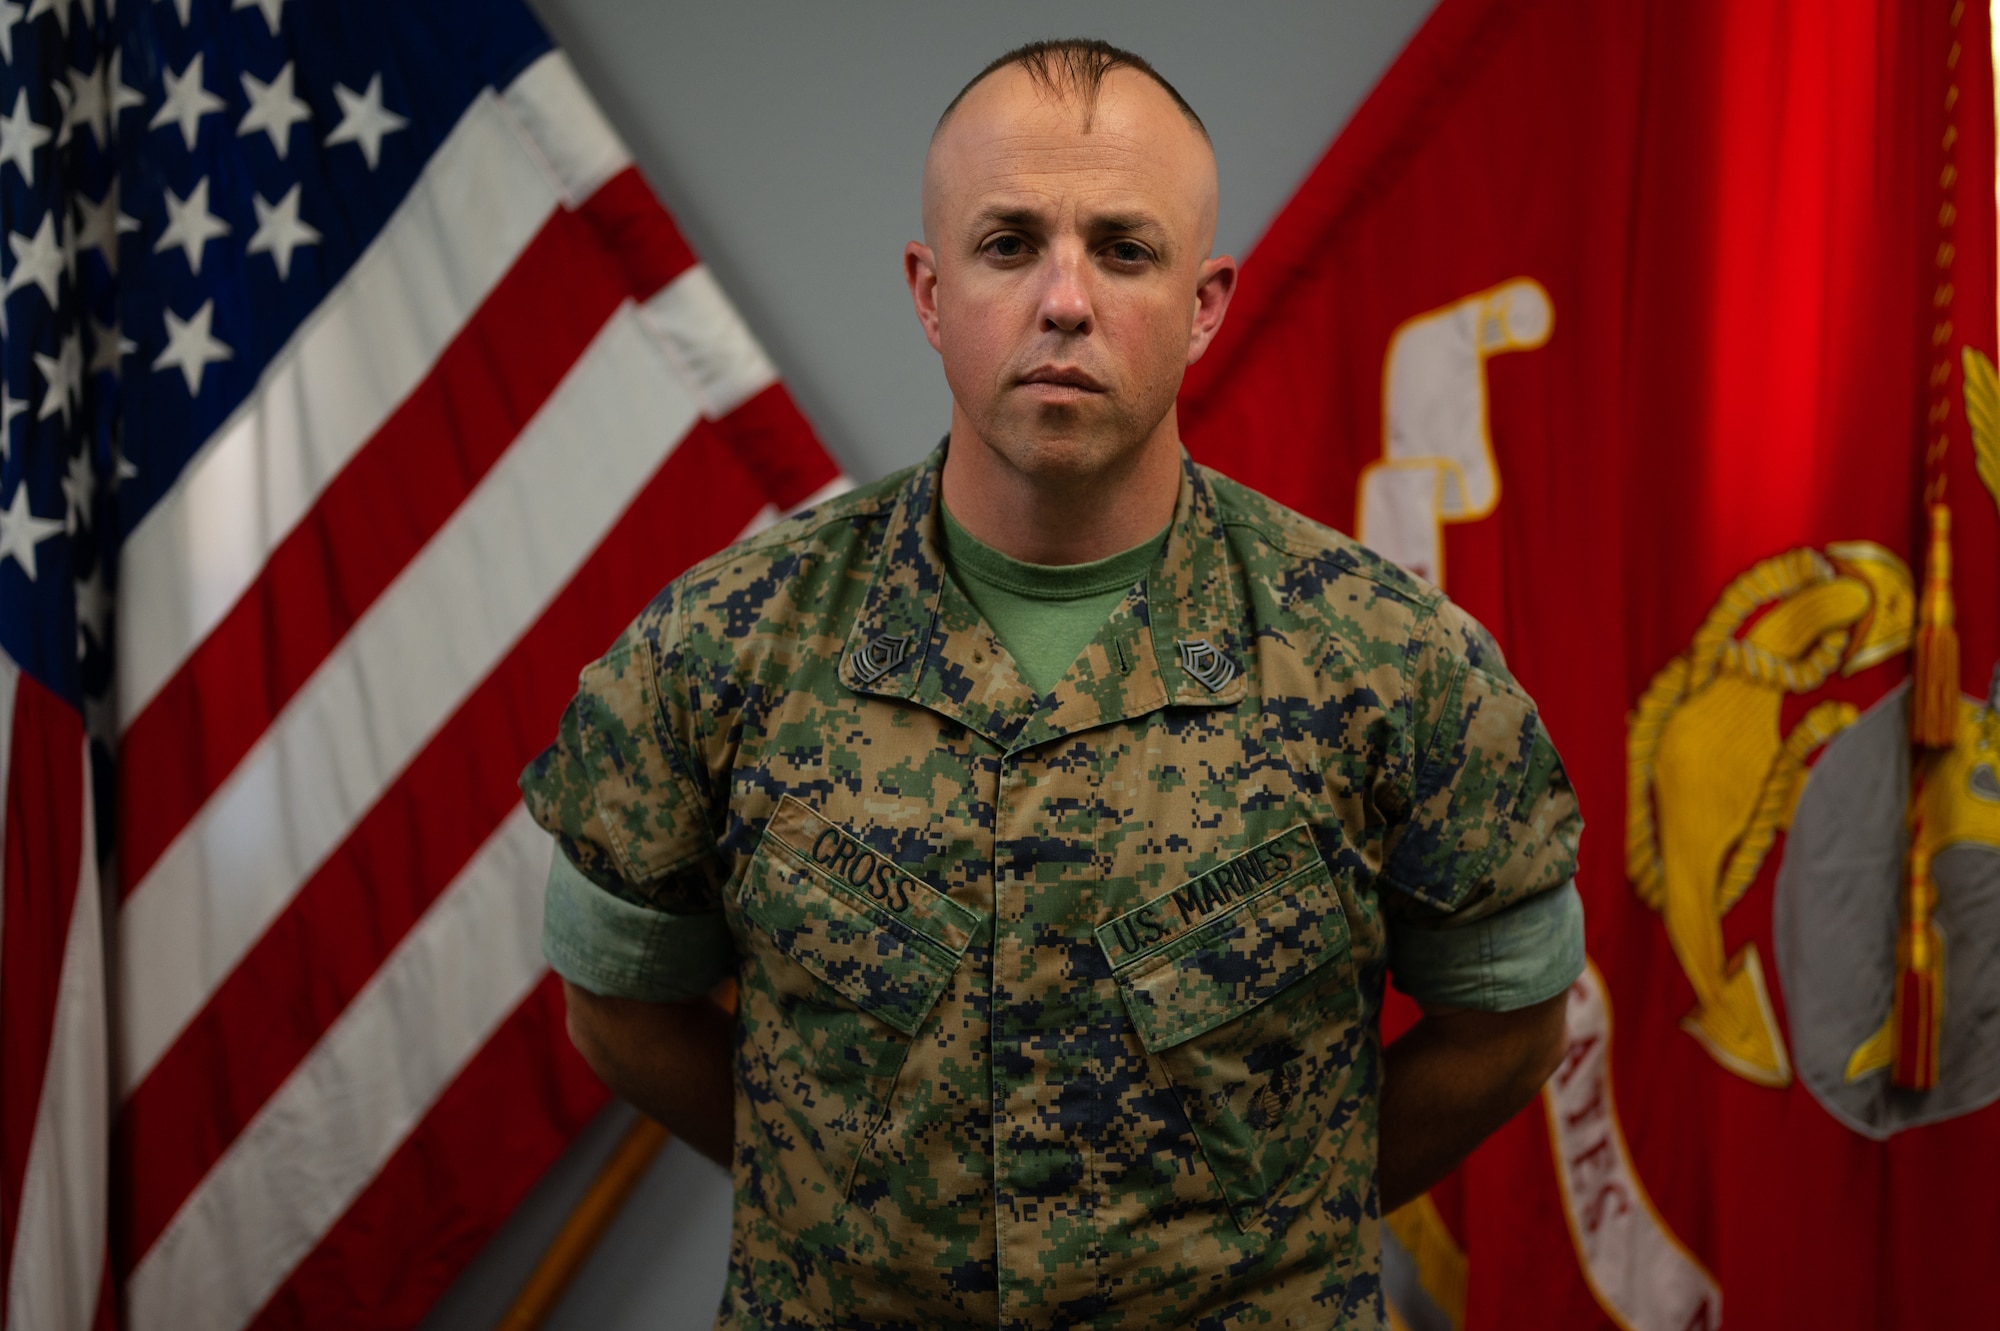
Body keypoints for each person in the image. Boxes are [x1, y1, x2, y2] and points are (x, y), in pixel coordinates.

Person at [522, 38, 1584, 1330]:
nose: (1065, 300)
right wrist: (834, 1217)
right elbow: (621, 1010)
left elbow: (1509, 1027)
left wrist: (1271, 1237)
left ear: (1204, 302)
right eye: (1010, 243)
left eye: (1125, 250)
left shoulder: (1394, 666)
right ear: (929, 288)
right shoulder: (723, 649)